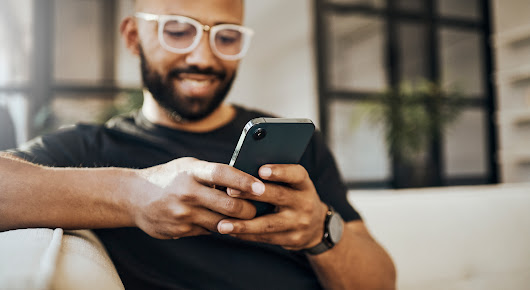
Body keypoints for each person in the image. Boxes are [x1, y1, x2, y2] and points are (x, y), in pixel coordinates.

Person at [0, 0, 396, 289]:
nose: (203, 57)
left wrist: (320, 232)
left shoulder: (295, 144)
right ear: (134, 37)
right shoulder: (90, 151)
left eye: (226, 37)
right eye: (177, 31)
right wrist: (134, 194)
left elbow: (381, 283)